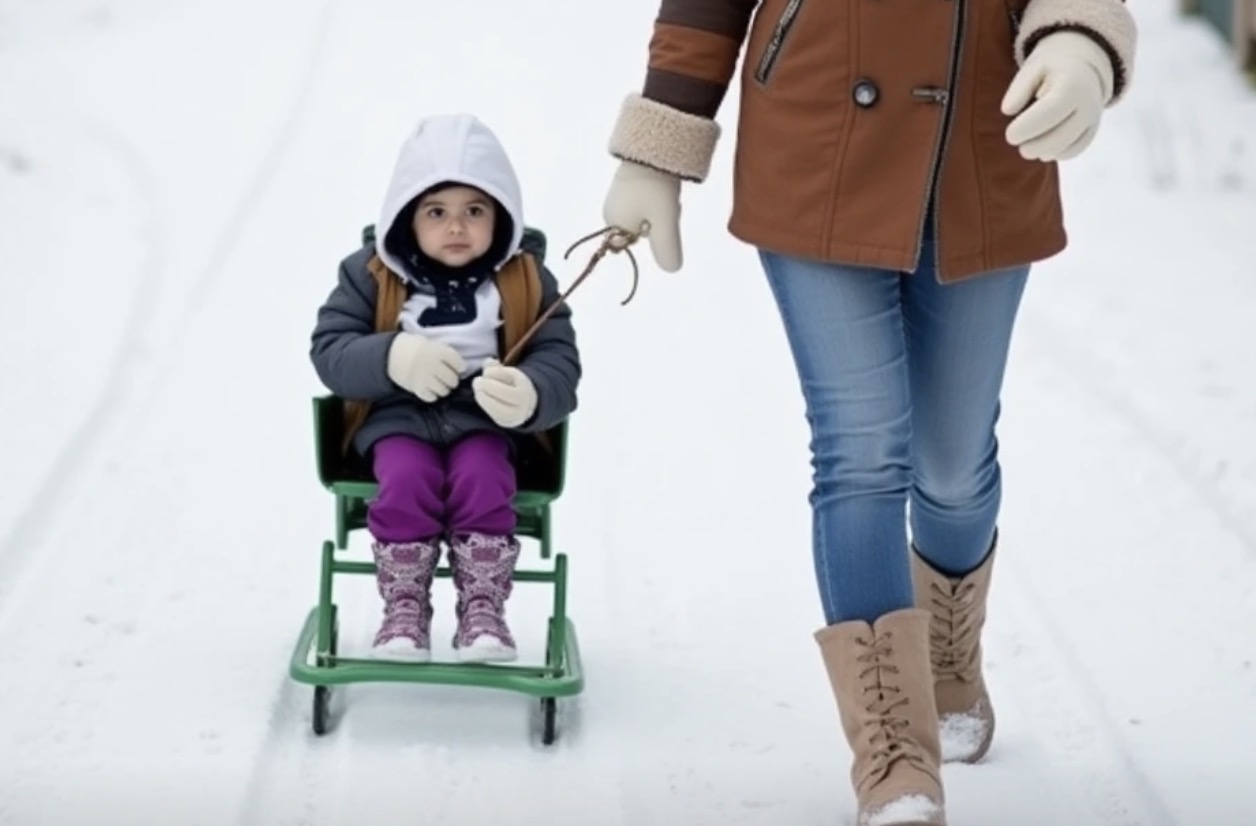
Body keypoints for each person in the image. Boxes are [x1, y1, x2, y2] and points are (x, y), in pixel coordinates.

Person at [599, 0, 1136, 822]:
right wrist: (658, 145)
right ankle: (895, 756)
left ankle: (949, 644)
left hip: (985, 148)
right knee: (860, 451)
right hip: (816, 143)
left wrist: (1080, 40)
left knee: (951, 466)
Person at [310, 113, 580, 665]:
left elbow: (560, 357)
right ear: (407, 219)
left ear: (500, 215)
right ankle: (403, 608)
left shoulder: (524, 278)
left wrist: (530, 391)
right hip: (397, 417)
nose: (456, 227)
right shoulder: (371, 274)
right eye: (437, 212)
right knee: (408, 479)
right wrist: (392, 356)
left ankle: (483, 607)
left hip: (485, 418)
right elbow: (330, 348)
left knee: (483, 477)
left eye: (474, 211)